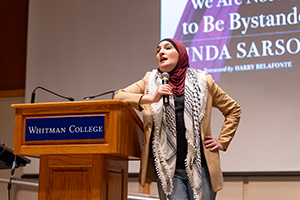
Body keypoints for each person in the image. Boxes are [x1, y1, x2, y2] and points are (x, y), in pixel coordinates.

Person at [114, 38, 241, 200]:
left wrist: (223, 141)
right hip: (168, 169)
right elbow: (118, 96)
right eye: (158, 50)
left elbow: (234, 110)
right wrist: (151, 98)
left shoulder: (203, 81)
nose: (161, 52)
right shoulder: (150, 81)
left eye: (167, 48)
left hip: (202, 166)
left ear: (181, 54)